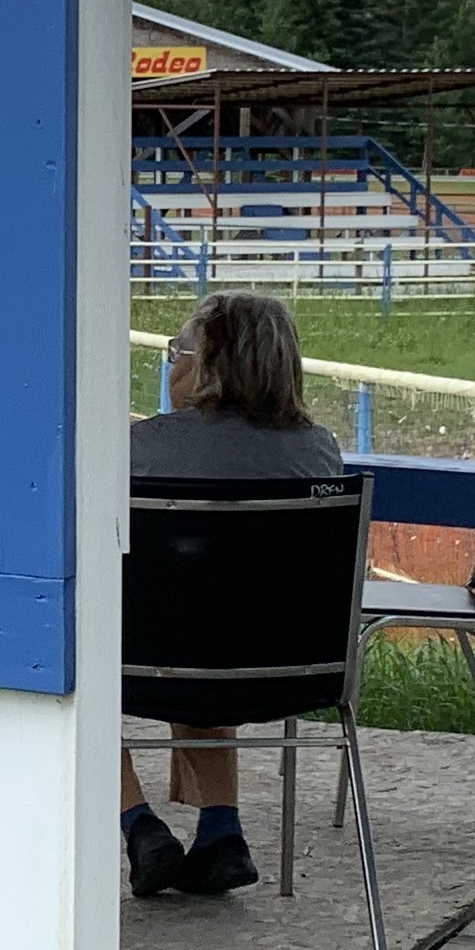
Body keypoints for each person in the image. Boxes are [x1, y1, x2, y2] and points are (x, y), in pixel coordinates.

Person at [120, 290, 345, 900]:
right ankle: (222, 831)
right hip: (287, 670)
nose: (173, 366)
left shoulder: (141, 450)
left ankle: (138, 823)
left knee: (57, 654)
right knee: (206, 631)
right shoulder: (318, 452)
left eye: (180, 352)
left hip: (146, 668)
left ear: (211, 365)